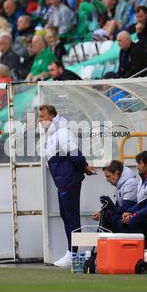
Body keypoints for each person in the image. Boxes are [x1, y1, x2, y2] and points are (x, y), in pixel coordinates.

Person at [38, 104, 96, 267]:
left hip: (69, 181)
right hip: (63, 183)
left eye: (42, 117)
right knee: (66, 216)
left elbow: (74, 153)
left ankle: (73, 254)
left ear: (51, 116)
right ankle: (71, 252)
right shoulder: (53, 133)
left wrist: (84, 167)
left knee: (71, 217)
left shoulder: (61, 132)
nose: (39, 120)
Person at [121, 150, 147, 234]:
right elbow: (141, 203)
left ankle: (143, 246)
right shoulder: (142, 181)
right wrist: (129, 212)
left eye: (139, 163)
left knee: (133, 221)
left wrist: (133, 215)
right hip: (144, 213)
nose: (137, 167)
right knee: (121, 219)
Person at [91, 160, 138, 232]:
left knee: (115, 219)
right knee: (107, 218)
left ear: (117, 172)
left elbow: (125, 208)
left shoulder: (131, 184)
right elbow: (117, 206)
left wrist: (108, 210)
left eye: (108, 176)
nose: (107, 180)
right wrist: (102, 213)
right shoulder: (119, 184)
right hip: (127, 214)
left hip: (132, 215)